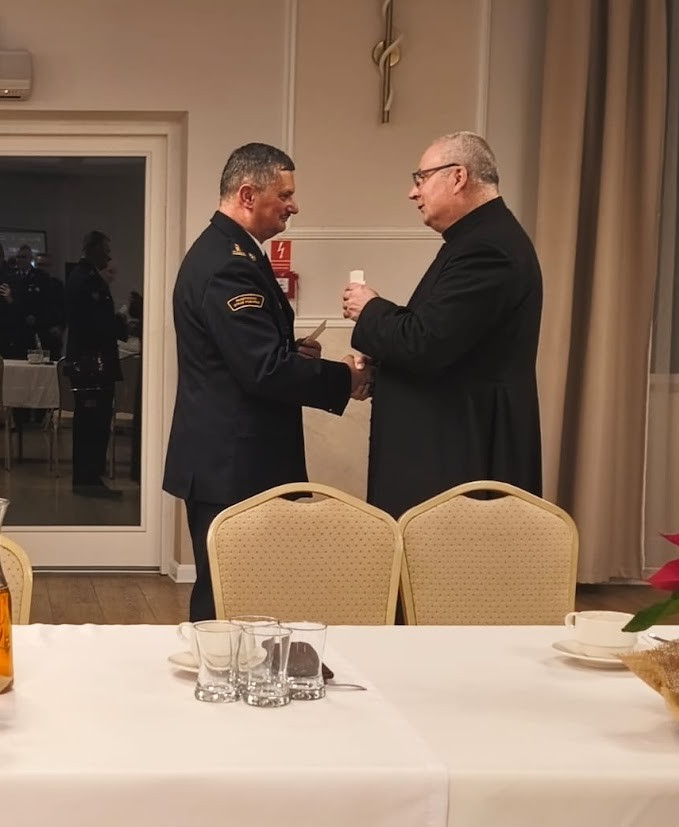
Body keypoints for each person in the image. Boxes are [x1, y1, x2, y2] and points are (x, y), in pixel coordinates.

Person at [163, 142, 372, 621]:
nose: (293, 206)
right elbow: (263, 370)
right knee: (228, 601)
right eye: (285, 195)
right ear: (247, 194)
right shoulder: (228, 264)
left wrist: (290, 351)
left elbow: (240, 354)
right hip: (235, 465)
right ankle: (218, 669)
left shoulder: (232, 253)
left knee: (247, 594)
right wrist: (345, 377)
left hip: (233, 458)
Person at [342, 131, 543, 518]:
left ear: (458, 177)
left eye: (421, 178)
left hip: (461, 454)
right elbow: (452, 341)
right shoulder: (475, 239)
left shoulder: (488, 249)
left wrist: (369, 309)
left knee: (455, 557)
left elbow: (426, 342)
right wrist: (380, 367)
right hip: (450, 444)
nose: (413, 192)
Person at [64, 230, 127, 495]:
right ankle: (88, 479)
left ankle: (89, 477)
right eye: (106, 250)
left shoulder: (85, 277)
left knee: (94, 423)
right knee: (92, 424)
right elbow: (96, 324)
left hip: (92, 363)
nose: (108, 256)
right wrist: (121, 323)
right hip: (92, 365)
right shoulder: (86, 281)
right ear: (94, 249)